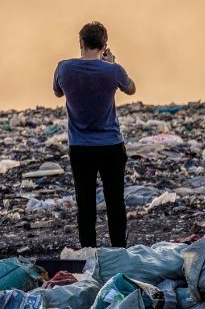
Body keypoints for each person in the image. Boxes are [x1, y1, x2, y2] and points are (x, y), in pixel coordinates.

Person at [52, 21, 137, 248]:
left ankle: (89, 251)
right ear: (104, 45)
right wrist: (110, 64)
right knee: (115, 201)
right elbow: (131, 88)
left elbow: (58, 92)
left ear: (81, 42)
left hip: (80, 147)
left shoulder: (64, 68)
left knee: (86, 203)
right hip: (111, 145)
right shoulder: (113, 71)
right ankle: (119, 250)